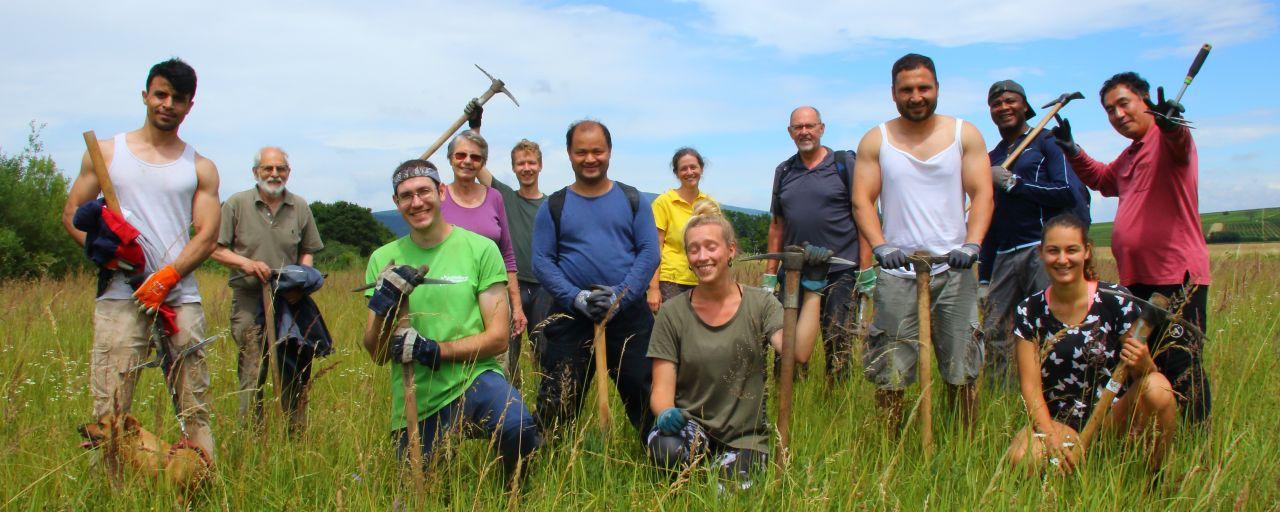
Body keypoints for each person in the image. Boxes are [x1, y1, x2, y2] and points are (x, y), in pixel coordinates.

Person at [61, 58, 220, 460]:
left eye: (178, 98)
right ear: (145, 95)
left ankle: (200, 487)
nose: (167, 104)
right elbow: (72, 215)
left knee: (194, 407)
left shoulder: (199, 167)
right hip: (120, 296)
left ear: (189, 106)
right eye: (160, 94)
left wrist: (166, 277)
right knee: (110, 407)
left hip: (179, 298)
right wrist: (107, 255)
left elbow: (207, 235)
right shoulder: (106, 154)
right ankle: (110, 493)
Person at [361, 160, 540, 480]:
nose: (416, 202)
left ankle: (512, 495)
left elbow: (499, 338)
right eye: (406, 196)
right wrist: (384, 309)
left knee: (519, 426)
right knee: (423, 488)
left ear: (441, 192)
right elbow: (376, 352)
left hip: (475, 378)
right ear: (396, 203)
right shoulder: (382, 259)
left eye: (424, 191)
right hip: (416, 392)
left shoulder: (481, 249)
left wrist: (434, 351)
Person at [1052, 71, 1211, 423]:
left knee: (1182, 364)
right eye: (1110, 110)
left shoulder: (1168, 141)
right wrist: (1074, 151)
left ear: (1144, 101)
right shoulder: (1131, 154)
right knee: (1142, 363)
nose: (1118, 115)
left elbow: (1180, 142)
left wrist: (1171, 124)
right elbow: (1102, 180)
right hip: (1137, 280)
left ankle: (1195, 445)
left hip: (1176, 277)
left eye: (1124, 104)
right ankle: (1153, 436)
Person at [851, 53, 994, 429]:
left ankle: (964, 443)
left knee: (962, 364)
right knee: (891, 367)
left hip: (954, 267)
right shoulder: (876, 140)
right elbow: (862, 199)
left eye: (924, 88)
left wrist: (972, 243)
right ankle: (889, 448)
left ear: (936, 89)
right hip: (898, 272)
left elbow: (982, 193)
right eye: (907, 90)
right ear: (894, 94)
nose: (916, 96)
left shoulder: (965, 134)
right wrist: (881, 246)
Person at [646, 201, 823, 489]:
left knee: (728, 492)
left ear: (730, 250)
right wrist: (666, 413)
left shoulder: (761, 304)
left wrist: (814, 291)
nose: (702, 256)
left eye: (711, 247)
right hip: (691, 429)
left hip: (745, 438)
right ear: (687, 258)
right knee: (666, 448)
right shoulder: (672, 313)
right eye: (694, 249)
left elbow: (798, 352)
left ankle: (725, 472)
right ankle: (691, 473)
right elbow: (662, 389)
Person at [1006, 214, 1177, 475]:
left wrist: (1143, 362)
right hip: (1059, 423)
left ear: (1086, 251)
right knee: (1022, 460)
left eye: (1071, 250)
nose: (1062, 259)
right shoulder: (1029, 311)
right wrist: (1051, 439)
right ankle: (1067, 463)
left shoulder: (1116, 301)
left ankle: (1153, 479)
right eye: (1053, 251)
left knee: (1159, 388)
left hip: (1111, 420)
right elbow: (1030, 388)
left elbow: (1144, 375)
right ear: (1041, 253)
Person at [531, 120, 661, 441]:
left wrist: (619, 296)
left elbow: (649, 253)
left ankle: (666, 459)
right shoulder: (555, 206)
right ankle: (548, 465)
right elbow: (542, 261)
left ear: (609, 152)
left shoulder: (633, 200)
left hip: (627, 315)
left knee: (647, 394)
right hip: (571, 315)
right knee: (557, 400)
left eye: (597, 151)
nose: (590, 158)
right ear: (570, 155)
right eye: (582, 152)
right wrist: (577, 298)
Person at [210, 146, 326, 432]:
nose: (275, 174)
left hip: (291, 299)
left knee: (294, 369)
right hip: (250, 298)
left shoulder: (299, 206)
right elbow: (215, 249)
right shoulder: (236, 204)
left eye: (280, 169)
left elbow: (308, 250)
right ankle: (251, 438)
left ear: (288, 172)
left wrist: (301, 280)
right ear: (256, 172)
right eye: (268, 169)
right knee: (253, 369)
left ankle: (294, 437)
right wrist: (247, 264)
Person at [981, 80, 1090, 382]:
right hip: (1003, 254)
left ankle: (1055, 399)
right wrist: (983, 275)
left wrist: (1015, 184)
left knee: (1048, 328)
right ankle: (1000, 405)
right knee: (995, 332)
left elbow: (1068, 191)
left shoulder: (1046, 142)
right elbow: (988, 216)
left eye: (1010, 100)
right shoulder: (992, 157)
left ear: (1025, 106)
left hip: (1041, 250)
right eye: (996, 103)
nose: (1003, 107)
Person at [766, 106, 873, 383]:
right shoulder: (785, 170)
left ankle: (835, 401)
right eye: (798, 127)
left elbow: (864, 215)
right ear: (790, 133)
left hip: (840, 270)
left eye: (810, 126)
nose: (804, 132)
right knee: (787, 342)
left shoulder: (843, 164)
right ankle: (788, 398)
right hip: (794, 273)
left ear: (822, 128)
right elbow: (777, 224)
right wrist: (769, 273)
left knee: (838, 341)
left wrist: (866, 267)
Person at [468, 103, 552, 387]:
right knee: (507, 352)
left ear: (540, 165)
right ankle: (511, 406)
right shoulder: (504, 196)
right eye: (520, 164)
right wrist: (475, 129)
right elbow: (476, 165)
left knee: (544, 352)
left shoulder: (552, 204)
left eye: (531, 163)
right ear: (514, 167)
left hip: (544, 288)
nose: (526, 168)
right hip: (509, 286)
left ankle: (546, 408)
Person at [440, 130, 526, 375]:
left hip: (494, 301)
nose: (468, 161)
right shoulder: (438, 196)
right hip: (451, 300)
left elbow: (507, 255)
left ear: (483, 163)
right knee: (453, 369)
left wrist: (516, 307)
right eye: (461, 155)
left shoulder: (494, 198)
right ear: (450, 158)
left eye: (476, 158)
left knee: (497, 370)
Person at [647, 147, 716, 312]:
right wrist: (653, 288)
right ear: (676, 173)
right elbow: (655, 246)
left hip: (703, 278)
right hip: (671, 281)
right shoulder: (664, 202)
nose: (689, 172)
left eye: (693, 167)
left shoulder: (710, 204)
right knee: (675, 331)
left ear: (702, 169)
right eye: (683, 168)